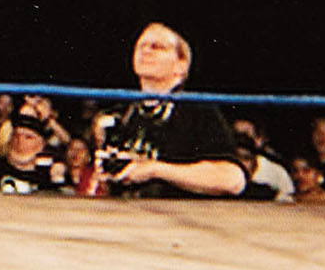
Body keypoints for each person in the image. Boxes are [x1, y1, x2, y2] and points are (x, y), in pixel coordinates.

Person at [98, 23, 245, 198]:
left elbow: (232, 180)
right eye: (141, 46)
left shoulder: (196, 109)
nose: (146, 51)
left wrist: (155, 169)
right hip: (126, 217)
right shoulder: (124, 112)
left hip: (178, 218)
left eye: (157, 47)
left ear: (181, 65)